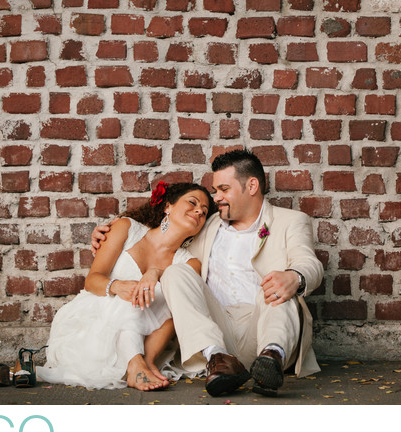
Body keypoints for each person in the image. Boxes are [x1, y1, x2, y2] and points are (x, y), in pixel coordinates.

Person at [91, 149, 323, 397]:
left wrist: (295, 277)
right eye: (215, 191)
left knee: (277, 285)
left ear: (252, 185)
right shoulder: (207, 223)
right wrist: (110, 231)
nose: (217, 198)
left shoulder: (290, 221)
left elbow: (310, 264)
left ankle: (271, 358)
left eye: (224, 189)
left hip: (265, 324)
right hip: (217, 332)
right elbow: (166, 233)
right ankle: (218, 360)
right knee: (175, 273)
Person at [38, 182, 214, 391]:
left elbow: (176, 314)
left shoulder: (189, 263)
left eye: (203, 212)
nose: (198, 211)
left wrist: (155, 273)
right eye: (192, 203)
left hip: (148, 341)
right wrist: (118, 287)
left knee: (166, 299)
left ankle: (142, 363)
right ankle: (135, 363)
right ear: (168, 206)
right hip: (95, 326)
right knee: (131, 295)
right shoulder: (126, 228)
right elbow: (92, 280)